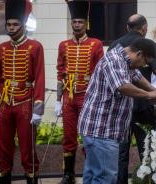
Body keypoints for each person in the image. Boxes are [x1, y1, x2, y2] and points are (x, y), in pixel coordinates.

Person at [78, 38, 156, 184]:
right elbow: (123, 86)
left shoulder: (126, 62)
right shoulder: (115, 60)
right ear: (139, 54)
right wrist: (149, 95)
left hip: (100, 130)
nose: (144, 66)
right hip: (101, 130)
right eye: (145, 62)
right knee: (105, 178)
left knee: (93, 175)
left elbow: (137, 77)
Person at [108, 14, 156, 184]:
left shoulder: (114, 45)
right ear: (144, 29)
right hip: (142, 105)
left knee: (121, 152)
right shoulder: (148, 46)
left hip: (120, 107)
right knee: (148, 150)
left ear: (127, 27)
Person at [0, 0, 45, 183]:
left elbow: (39, 77)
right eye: (9, 25)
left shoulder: (35, 47)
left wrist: (38, 107)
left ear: (23, 25)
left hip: (25, 103)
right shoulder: (2, 48)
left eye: (15, 24)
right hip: (5, 103)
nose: (11, 28)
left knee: (27, 150)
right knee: (3, 149)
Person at [55, 0, 104, 183]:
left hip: (87, 96)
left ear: (86, 24)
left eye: (80, 22)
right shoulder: (63, 45)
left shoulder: (96, 44)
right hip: (69, 97)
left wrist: (97, 98)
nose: (77, 25)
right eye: (74, 22)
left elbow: (100, 73)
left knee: (88, 136)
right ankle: (68, 174)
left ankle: (89, 173)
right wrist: (59, 99)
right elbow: (60, 73)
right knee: (68, 137)